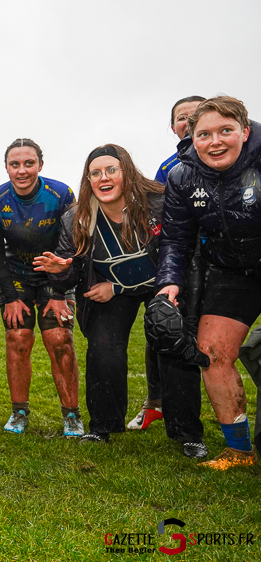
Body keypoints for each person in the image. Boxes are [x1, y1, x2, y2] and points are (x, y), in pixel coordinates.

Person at [36, 144, 205, 456]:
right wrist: (62, 271)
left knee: (172, 343)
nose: (104, 178)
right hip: (107, 287)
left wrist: (125, 289)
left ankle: (188, 433)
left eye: (111, 170)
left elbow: (180, 248)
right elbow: (69, 276)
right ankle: (102, 426)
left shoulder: (161, 201)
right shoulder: (76, 218)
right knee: (104, 348)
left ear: (126, 172)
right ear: (88, 180)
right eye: (95, 173)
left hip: (163, 284)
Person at [157, 95, 261, 469]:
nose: (215, 141)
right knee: (211, 351)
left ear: (245, 132)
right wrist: (169, 281)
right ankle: (239, 451)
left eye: (226, 131)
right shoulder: (182, 176)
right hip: (232, 270)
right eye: (204, 134)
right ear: (191, 138)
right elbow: (175, 239)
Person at [0, 138, 82, 436]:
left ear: (41, 164)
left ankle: (71, 415)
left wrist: (59, 292)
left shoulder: (61, 193)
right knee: (18, 338)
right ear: (6, 168)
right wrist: (10, 297)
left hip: (55, 276)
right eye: (15, 164)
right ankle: (19, 412)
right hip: (16, 277)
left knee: (60, 340)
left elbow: (71, 244)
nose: (22, 170)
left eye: (29, 163)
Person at [129, 95, 206, 431]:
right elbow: (161, 217)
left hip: (223, 263)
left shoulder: (236, 158)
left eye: (194, 115)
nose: (187, 122)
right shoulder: (168, 167)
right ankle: (155, 404)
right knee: (162, 331)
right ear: (172, 126)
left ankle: (198, 413)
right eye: (180, 117)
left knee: (209, 339)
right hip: (178, 262)